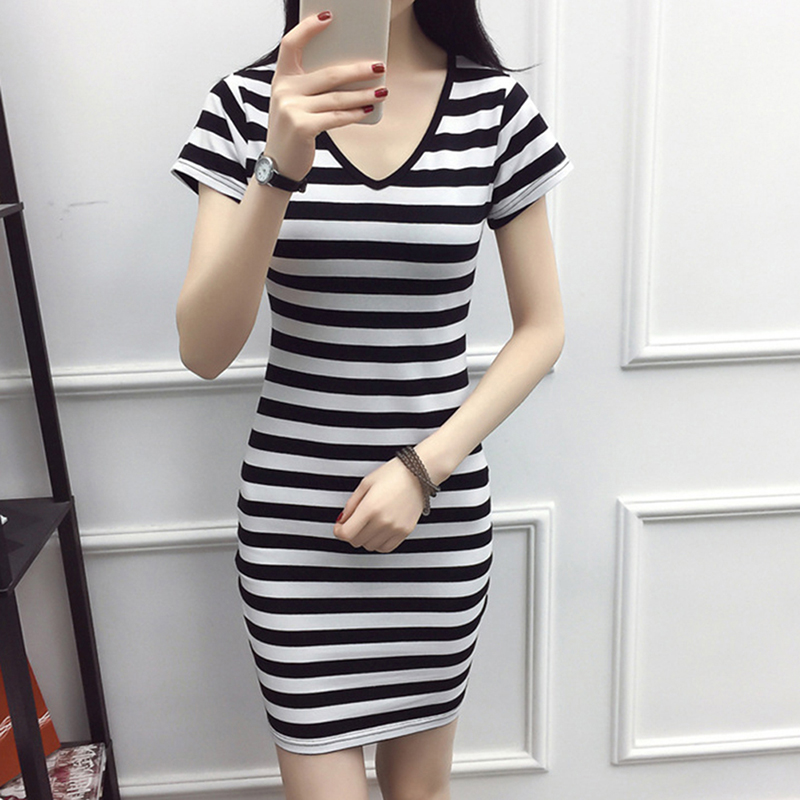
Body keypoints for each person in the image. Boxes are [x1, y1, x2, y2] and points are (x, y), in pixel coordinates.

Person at [171, 0, 572, 797]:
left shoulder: (494, 108)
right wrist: (279, 166)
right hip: (295, 529)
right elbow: (204, 351)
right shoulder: (247, 104)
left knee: (419, 791)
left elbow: (544, 327)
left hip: (437, 519)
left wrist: (423, 470)